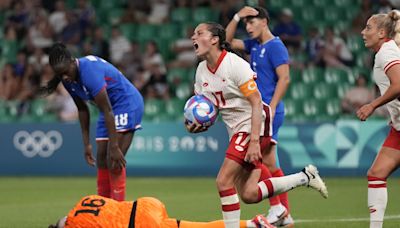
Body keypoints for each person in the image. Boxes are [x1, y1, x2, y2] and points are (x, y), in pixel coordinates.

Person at [187, 21, 328, 228]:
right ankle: (305, 177)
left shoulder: (234, 65)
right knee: (249, 194)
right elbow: (210, 107)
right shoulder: (201, 71)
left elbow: (255, 101)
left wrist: (254, 141)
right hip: (236, 130)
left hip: (255, 123)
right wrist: (197, 123)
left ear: (215, 39)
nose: (193, 37)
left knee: (223, 181)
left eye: (199, 33)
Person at [40, 43, 144, 201]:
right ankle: (102, 207)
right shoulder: (68, 79)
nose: (65, 77)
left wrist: (115, 146)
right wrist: (86, 144)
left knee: (113, 160)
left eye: (66, 72)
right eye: (60, 75)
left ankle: (117, 210)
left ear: (73, 61)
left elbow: (108, 110)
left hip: (126, 104)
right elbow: (82, 110)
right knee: (101, 158)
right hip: (107, 109)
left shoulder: (90, 72)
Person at [225, 6, 293, 226]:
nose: (248, 27)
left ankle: (277, 208)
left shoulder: (275, 46)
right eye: (246, 23)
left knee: (253, 157)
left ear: (264, 22)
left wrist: (271, 108)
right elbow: (226, 42)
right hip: (259, 111)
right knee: (271, 163)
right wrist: (237, 16)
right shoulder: (254, 44)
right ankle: (284, 213)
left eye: (252, 22)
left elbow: (284, 79)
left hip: (268, 111)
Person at [356, 10, 400, 228]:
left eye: (369, 28)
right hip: (399, 128)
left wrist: (372, 105)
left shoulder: (386, 53)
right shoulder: (388, 49)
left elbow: (398, 85)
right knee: (376, 173)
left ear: (382, 32)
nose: (364, 32)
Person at [48, 194, 275, 228]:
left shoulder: (76, 226)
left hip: (142, 223)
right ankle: (253, 224)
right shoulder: (84, 200)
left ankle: (253, 224)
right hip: (146, 203)